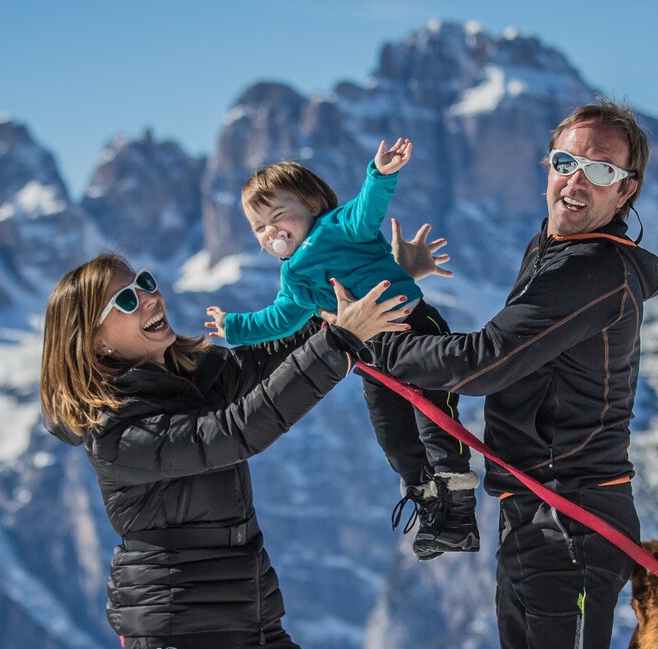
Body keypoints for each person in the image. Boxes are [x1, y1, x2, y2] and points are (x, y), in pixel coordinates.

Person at [359, 100, 658, 649]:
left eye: (600, 170)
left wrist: (369, 339)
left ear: (625, 192)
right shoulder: (552, 249)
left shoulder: (593, 268)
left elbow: (482, 361)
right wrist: (399, 290)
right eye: (565, 162)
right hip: (533, 511)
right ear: (548, 168)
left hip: (572, 517)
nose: (576, 180)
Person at [38, 251, 413, 649]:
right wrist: (339, 343)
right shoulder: (117, 434)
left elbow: (274, 353)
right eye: (127, 300)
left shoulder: (193, 378)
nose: (149, 297)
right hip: (179, 631)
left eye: (145, 282)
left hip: (254, 619)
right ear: (96, 341)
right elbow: (234, 433)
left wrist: (376, 286)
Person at [204, 138, 480, 560]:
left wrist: (380, 175)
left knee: (433, 419)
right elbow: (280, 319)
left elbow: (367, 210)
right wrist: (234, 327)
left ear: (311, 206)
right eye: (259, 228)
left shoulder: (336, 227)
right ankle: (429, 504)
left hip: (414, 330)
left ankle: (459, 512)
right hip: (373, 358)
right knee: (392, 435)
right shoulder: (294, 278)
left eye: (278, 217)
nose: (270, 232)